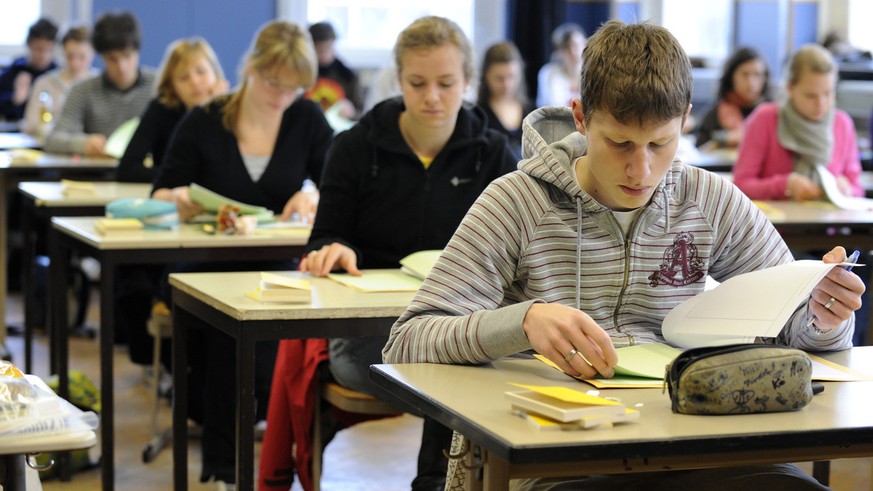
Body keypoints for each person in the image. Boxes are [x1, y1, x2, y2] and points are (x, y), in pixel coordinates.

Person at [383, 20, 863, 491]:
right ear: (580, 117)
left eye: (661, 143)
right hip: (558, 456)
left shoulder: (709, 200)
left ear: (686, 119)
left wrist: (824, 316)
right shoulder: (517, 202)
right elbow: (406, 341)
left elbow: (805, 326)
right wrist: (523, 321)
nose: (641, 169)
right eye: (619, 143)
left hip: (697, 446)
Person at [260, 15, 517, 491]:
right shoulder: (354, 148)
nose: (433, 97)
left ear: (468, 82)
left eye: (446, 83)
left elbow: (520, 255)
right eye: (417, 83)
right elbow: (324, 238)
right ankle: (437, 484)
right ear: (398, 81)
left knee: (459, 358)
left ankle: (437, 483)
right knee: (457, 369)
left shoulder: (497, 155)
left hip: (459, 325)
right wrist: (331, 250)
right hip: (368, 336)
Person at [152, 20, 332, 487]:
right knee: (227, 330)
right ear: (250, 67)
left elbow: (336, 186)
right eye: (273, 83)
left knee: (265, 316)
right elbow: (159, 193)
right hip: (206, 262)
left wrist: (311, 195)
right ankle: (230, 461)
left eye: (293, 88)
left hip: (273, 262)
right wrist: (180, 200)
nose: (281, 96)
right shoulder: (208, 118)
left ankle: (248, 461)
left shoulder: (306, 119)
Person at [733, 43, 862, 202]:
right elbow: (741, 185)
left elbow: (857, 187)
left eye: (828, 93)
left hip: (829, 223)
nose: (821, 104)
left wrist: (847, 188)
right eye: (810, 96)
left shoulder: (842, 124)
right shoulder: (765, 119)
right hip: (775, 225)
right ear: (791, 88)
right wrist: (786, 185)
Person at [117, 37, 227, 183]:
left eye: (201, 72)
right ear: (172, 86)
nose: (195, 82)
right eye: (183, 77)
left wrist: (216, 109)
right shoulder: (161, 110)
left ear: (215, 74)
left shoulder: (231, 110)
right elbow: (127, 169)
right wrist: (180, 178)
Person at [44, 11, 155, 156]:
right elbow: (53, 140)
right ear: (101, 56)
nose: (122, 66)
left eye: (127, 56)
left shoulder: (159, 86)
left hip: (148, 173)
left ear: (137, 50)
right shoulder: (83, 90)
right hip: (99, 172)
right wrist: (84, 143)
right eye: (112, 59)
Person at [21, 26, 97, 140]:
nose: (75, 63)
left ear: (93, 53)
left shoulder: (100, 84)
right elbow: (31, 124)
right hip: (49, 147)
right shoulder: (45, 83)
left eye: (82, 57)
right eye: (70, 56)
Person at [695, 47, 769, 149]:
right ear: (731, 77)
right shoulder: (714, 115)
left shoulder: (772, 113)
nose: (751, 83)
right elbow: (699, 153)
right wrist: (723, 140)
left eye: (757, 75)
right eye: (745, 74)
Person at [477, 41, 534, 161]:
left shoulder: (533, 112)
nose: (506, 85)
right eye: (499, 78)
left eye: (511, 77)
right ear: (486, 76)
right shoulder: (477, 116)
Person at [0, 18, 58, 122]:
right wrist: (15, 99)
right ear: (29, 45)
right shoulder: (14, 72)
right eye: (38, 49)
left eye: (48, 49)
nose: (43, 55)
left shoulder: (57, 75)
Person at [306, 21, 363, 119]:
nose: (324, 54)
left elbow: (360, 112)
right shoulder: (303, 74)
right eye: (319, 49)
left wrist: (352, 112)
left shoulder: (347, 75)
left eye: (327, 48)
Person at [535, 22, 586, 108]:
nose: (573, 51)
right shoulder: (548, 74)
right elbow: (543, 107)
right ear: (559, 50)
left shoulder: (593, 74)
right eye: (567, 47)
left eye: (576, 45)